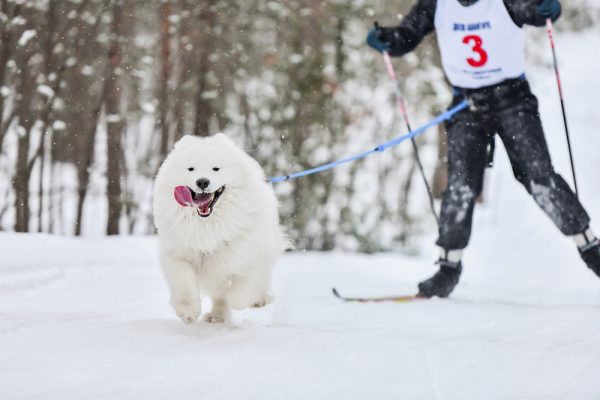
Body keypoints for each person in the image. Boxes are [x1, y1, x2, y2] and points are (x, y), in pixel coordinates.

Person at [367, 0, 600, 297]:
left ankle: (591, 248)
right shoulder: (437, 4)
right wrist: (388, 40)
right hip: (467, 105)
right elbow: (406, 37)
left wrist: (546, 10)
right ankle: (448, 268)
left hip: (513, 101)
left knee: (539, 177)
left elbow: (535, 12)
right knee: (460, 186)